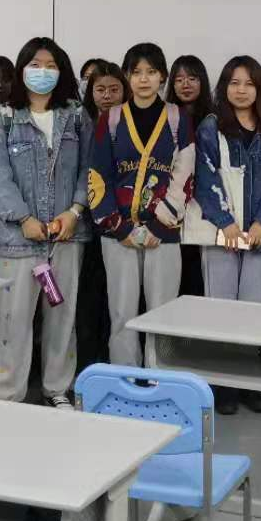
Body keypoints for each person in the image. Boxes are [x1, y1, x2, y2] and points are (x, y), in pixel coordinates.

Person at [0, 37, 91, 409]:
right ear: (21, 69)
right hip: (17, 239)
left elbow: (88, 169)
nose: (42, 72)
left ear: (61, 71)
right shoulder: (3, 118)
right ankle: (7, 396)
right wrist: (24, 218)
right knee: (12, 322)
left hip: (66, 235)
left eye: (50, 66)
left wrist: (74, 211)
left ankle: (57, 389)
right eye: (35, 64)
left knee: (62, 317)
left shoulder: (76, 116)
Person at [190, 55, 261, 414]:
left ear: (259, 88)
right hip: (223, 234)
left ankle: (247, 383)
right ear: (224, 87)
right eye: (234, 83)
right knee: (221, 310)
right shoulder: (211, 127)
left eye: (249, 83)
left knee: (253, 310)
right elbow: (205, 178)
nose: (241, 90)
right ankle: (222, 387)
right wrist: (226, 222)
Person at [87, 42, 195, 367]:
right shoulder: (111, 119)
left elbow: (185, 172)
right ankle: (124, 378)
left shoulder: (178, 118)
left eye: (151, 72)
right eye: (136, 72)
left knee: (164, 312)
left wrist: (160, 224)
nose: (144, 79)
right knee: (122, 312)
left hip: (164, 232)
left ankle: (161, 379)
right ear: (127, 76)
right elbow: (98, 175)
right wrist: (118, 226)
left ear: (162, 76)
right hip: (118, 233)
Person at [75, 62, 124, 372]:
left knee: (115, 298)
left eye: (114, 89)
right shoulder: (80, 122)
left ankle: (110, 362)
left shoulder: (129, 124)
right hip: (83, 224)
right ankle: (86, 365)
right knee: (87, 297)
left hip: (117, 224)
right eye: (100, 89)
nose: (107, 96)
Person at [169, 54, 213, 298]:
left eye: (192, 78)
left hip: (204, 208)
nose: (185, 84)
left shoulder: (214, 119)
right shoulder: (164, 117)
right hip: (170, 208)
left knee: (200, 280)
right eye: (179, 79)